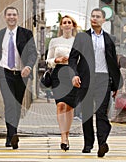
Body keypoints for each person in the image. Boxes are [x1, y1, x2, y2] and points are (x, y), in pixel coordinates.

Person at [0, 6, 37, 149]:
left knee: (16, 105)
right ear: (5, 17)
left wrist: (28, 67)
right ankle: (11, 136)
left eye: (14, 15)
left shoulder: (26, 34)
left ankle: (12, 133)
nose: (11, 17)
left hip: (21, 74)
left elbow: (33, 53)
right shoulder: (0, 34)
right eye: (9, 15)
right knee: (10, 103)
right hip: (4, 73)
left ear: (17, 17)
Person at [69, 8, 122, 157]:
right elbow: (72, 58)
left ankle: (102, 143)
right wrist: (74, 75)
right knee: (86, 113)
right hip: (86, 79)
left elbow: (113, 62)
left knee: (101, 112)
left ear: (103, 20)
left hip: (103, 79)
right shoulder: (81, 37)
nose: (94, 19)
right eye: (92, 16)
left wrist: (116, 84)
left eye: (98, 17)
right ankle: (88, 143)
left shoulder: (109, 39)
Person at [46, 15, 79, 151]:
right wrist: (57, 60)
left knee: (69, 107)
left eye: (69, 22)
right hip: (58, 74)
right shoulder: (54, 41)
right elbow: (48, 60)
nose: (66, 25)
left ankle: (67, 133)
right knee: (60, 105)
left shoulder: (78, 41)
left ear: (73, 26)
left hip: (72, 74)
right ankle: (63, 137)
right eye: (64, 22)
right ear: (61, 26)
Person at [111, 56, 126, 123]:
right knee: (124, 104)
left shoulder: (120, 70)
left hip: (124, 89)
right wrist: (123, 90)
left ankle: (119, 119)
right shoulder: (123, 70)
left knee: (121, 105)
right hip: (125, 89)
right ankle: (125, 119)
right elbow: (122, 80)